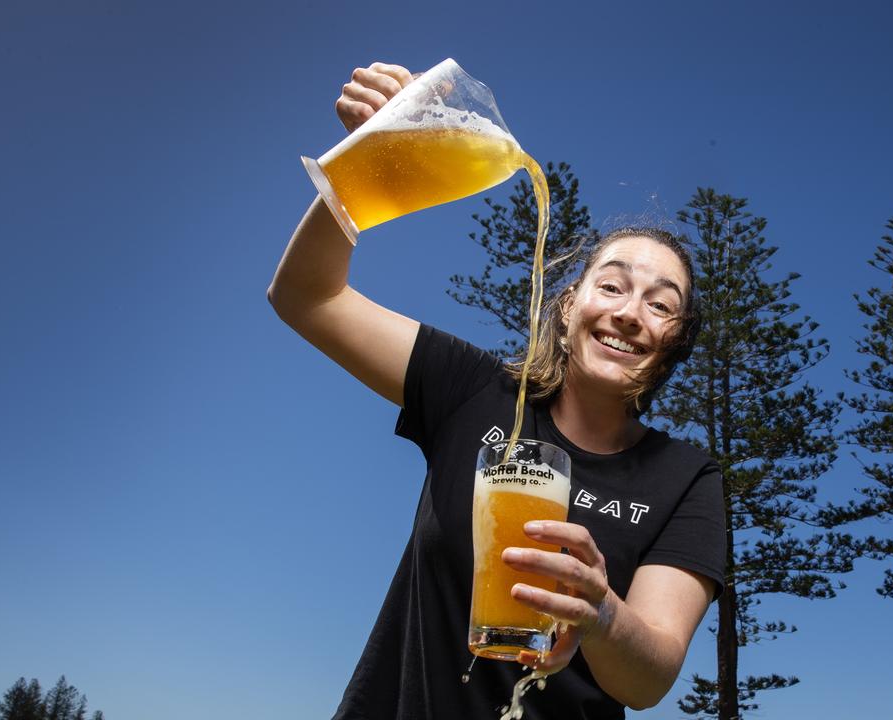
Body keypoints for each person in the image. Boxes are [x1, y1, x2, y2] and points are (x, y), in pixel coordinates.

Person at [268, 62, 725, 719]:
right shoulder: (473, 389)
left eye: (661, 305)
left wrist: (599, 612)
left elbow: (646, 681)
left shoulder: (687, 478)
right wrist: (371, 165)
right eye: (614, 285)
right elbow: (305, 296)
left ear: (673, 344)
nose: (630, 312)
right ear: (567, 309)